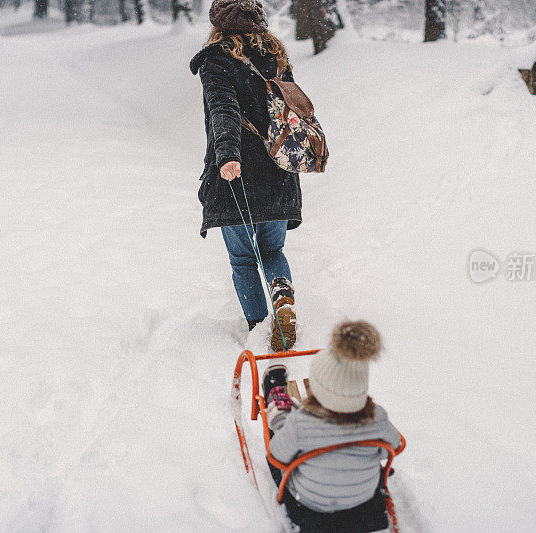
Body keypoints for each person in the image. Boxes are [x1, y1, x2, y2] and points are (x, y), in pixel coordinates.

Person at [189, 0, 301, 351]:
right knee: (272, 248)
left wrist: (227, 155)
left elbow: (224, 108)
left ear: (219, 25)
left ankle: (260, 326)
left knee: (242, 258)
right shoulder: (276, 57)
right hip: (279, 167)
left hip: (237, 171)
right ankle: (282, 293)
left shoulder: (216, 59)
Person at [262, 321, 402, 532]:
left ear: (317, 389)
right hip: (363, 503)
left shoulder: (301, 424)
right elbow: (394, 446)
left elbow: (277, 456)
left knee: (279, 439)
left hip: (311, 509)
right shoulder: (378, 418)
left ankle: (278, 407)